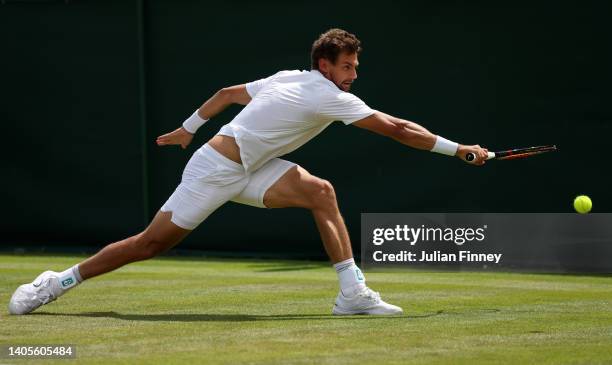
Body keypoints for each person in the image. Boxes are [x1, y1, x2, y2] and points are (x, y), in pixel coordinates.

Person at [9, 29, 488, 316]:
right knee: (151, 244)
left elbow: (225, 93)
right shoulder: (323, 92)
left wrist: (186, 127)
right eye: (347, 67)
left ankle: (352, 294)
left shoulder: (287, 78)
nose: (354, 75)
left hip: (256, 168)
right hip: (215, 171)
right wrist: (457, 149)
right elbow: (397, 128)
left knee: (321, 192)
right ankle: (56, 282)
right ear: (325, 65)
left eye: (355, 67)